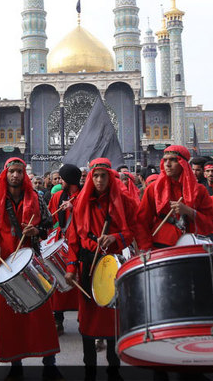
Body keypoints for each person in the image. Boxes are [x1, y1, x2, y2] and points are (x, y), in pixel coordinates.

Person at [64, 158, 148, 381]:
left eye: (103, 175)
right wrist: (71, 267)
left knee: (113, 316)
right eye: (95, 176)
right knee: (88, 317)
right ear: (90, 177)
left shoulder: (125, 201)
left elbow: (132, 231)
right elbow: (73, 239)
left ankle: (114, 368)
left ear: (110, 177)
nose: (99, 180)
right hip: (87, 265)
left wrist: (115, 237)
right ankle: (89, 369)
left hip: (113, 263)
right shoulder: (80, 201)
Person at [0, 158, 61, 381]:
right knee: (11, 318)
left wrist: (37, 231)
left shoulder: (36, 198)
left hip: (31, 262)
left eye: (19, 171)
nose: (15, 175)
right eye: (12, 171)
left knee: (42, 315)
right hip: (5, 265)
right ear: (5, 174)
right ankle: (16, 366)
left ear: (24, 174)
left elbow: (48, 225)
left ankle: (50, 364)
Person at [138, 145, 213, 248]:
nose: (167, 164)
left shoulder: (199, 190)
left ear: (183, 163)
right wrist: (145, 248)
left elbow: (210, 224)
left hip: (192, 246)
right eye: (165, 160)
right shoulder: (153, 189)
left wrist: (189, 211)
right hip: (161, 246)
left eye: (173, 160)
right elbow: (141, 222)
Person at [47, 164, 82, 335]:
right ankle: (57, 319)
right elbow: (50, 217)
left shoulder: (84, 196)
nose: (60, 181)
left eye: (62, 178)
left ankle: (83, 318)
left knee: (82, 283)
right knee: (59, 283)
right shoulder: (57, 197)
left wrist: (75, 208)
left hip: (80, 245)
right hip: (62, 244)